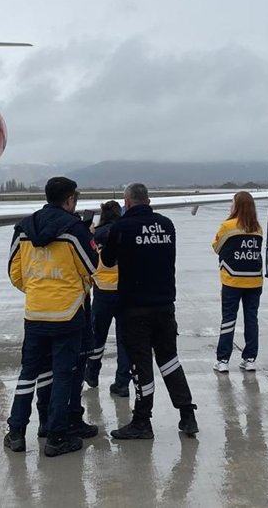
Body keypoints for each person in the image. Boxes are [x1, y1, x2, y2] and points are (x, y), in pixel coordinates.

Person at [4, 176, 99, 457]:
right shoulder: (74, 230)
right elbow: (91, 267)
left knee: (28, 373)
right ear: (69, 200)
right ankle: (57, 436)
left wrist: (35, 289)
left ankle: (16, 433)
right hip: (68, 314)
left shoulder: (23, 228)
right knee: (62, 375)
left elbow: (14, 272)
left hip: (35, 312)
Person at [103, 183, 198, 439]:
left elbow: (108, 260)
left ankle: (142, 421)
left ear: (128, 202)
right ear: (148, 199)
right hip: (165, 306)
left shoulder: (121, 227)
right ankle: (187, 414)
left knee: (141, 367)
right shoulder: (167, 225)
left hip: (135, 309)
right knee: (169, 361)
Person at [211, 191, 265, 373]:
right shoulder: (258, 228)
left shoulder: (227, 226)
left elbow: (216, 247)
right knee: (251, 319)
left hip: (232, 280)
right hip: (254, 281)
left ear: (237, 205)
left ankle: (223, 359)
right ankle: (250, 359)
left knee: (228, 319)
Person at [85, 200, 132, 397]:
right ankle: (122, 382)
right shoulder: (126, 232)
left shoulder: (95, 235)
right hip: (125, 291)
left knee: (97, 337)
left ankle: (92, 373)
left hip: (103, 291)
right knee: (125, 340)